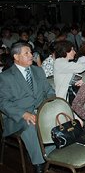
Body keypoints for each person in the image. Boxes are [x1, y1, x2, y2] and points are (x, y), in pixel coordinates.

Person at [0, 42, 55, 173]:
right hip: (18, 117)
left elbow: (49, 91)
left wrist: (50, 107)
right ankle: (39, 165)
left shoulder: (38, 70)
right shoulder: (5, 77)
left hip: (41, 111)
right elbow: (3, 103)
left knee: (61, 119)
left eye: (31, 52)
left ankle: (50, 153)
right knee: (30, 124)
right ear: (16, 57)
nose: (32, 55)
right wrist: (24, 114)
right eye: (27, 53)